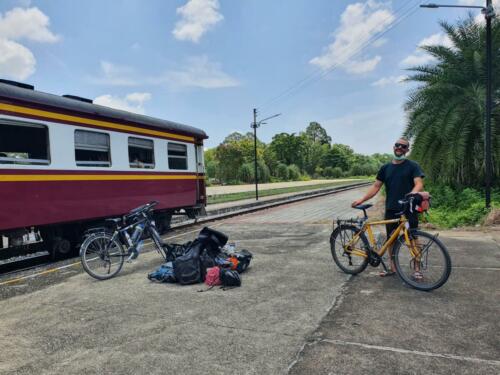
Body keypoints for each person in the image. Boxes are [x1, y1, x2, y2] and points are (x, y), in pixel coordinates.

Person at [351, 138, 424, 277]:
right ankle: (392, 268)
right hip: (391, 208)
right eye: (397, 145)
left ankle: (417, 269)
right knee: (391, 239)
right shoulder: (385, 168)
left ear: (407, 150)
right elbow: (376, 186)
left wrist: (412, 194)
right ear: (393, 147)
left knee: (414, 237)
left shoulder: (413, 166)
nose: (400, 148)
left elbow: (419, 183)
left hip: (409, 208)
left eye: (403, 146)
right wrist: (361, 199)